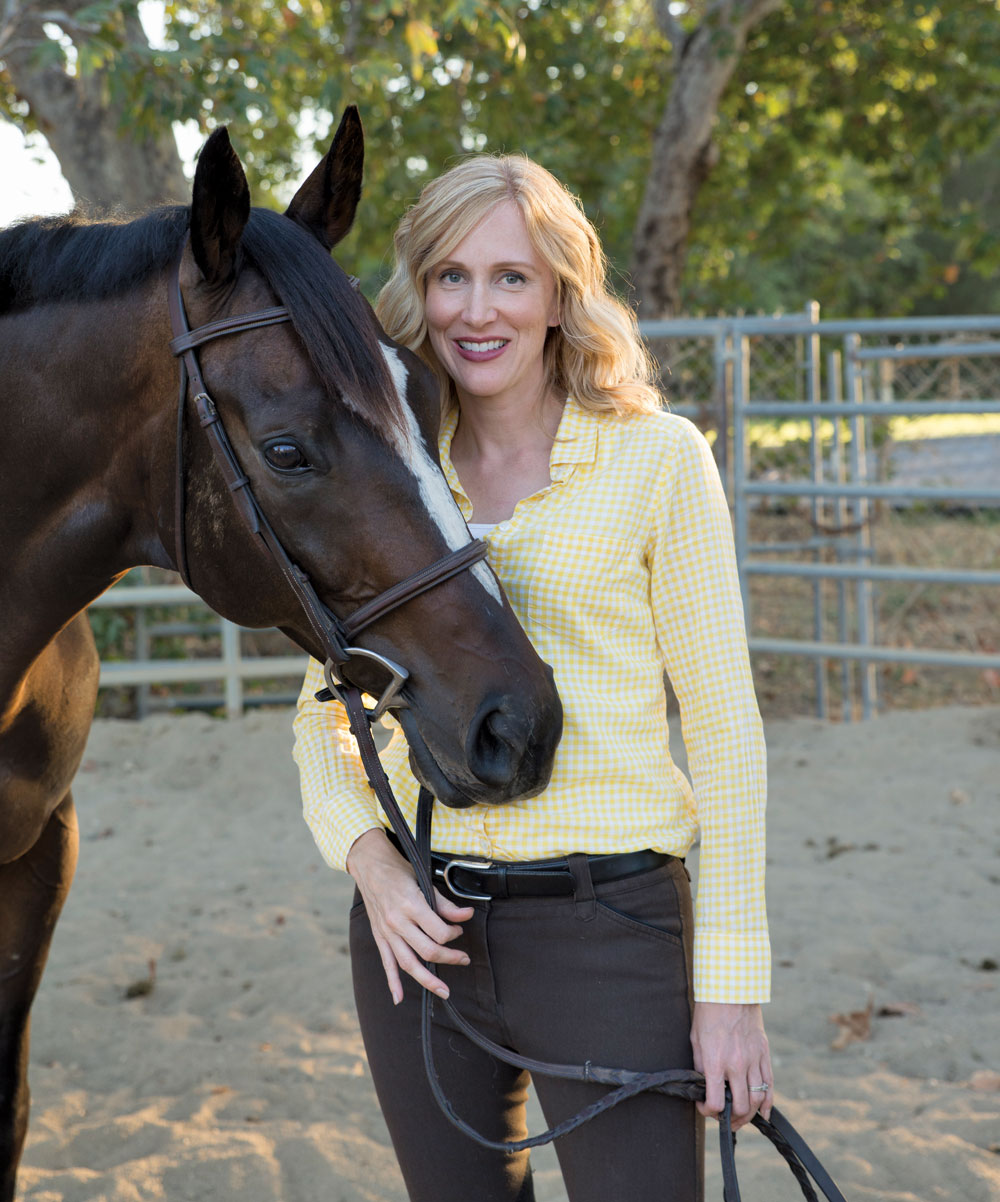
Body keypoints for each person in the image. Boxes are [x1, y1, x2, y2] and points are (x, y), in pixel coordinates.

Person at [293, 154, 771, 1202]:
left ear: (560, 290)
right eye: (449, 275)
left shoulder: (657, 460)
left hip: (610, 928)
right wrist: (371, 865)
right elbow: (325, 711)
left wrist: (731, 988)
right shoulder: (393, 467)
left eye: (511, 276)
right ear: (417, 291)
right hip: (423, 935)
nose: (477, 308)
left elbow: (727, 729)